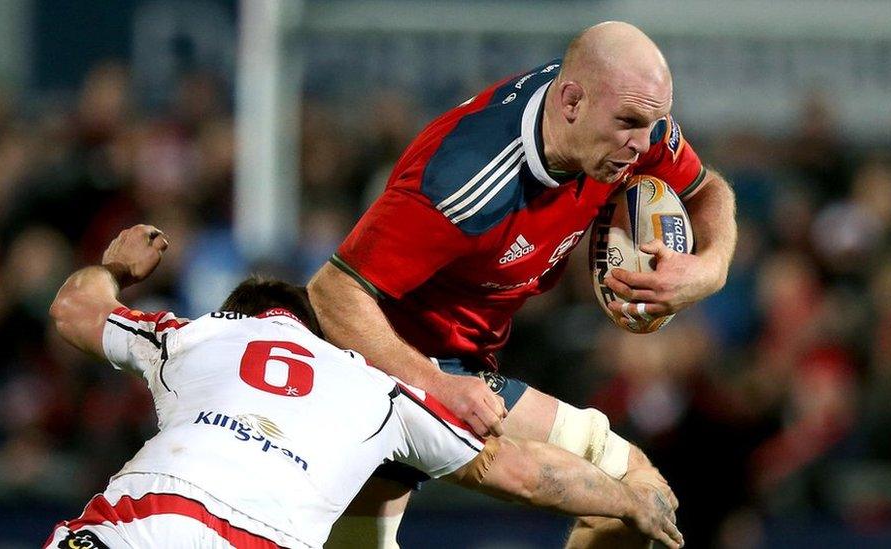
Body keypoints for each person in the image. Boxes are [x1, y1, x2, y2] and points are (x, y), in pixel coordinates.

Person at [307, 21, 737, 548]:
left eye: (654, 125)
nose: (643, 145)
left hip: (464, 366)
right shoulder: (463, 182)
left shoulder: (618, 117)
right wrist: (439, 388)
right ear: (572, 101)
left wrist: (710, 268)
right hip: (395, 368)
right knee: (631, 491)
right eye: (630, 123)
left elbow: (707, 189)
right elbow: (332, 292)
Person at [44, 224, 684, 549]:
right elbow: (518, 469)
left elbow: (74, 310)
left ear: (239, 310)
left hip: (130, 529)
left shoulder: (197, 336)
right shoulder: (375, 388)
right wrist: (629, 499)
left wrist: (116, 267)